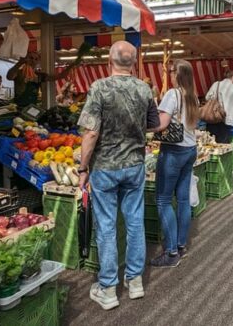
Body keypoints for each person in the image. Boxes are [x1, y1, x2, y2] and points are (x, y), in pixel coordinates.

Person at [76, 41, 160, 311]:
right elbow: (154, 124)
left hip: (105, 168)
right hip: (135, 165)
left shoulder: (99, 87)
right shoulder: (144, 88)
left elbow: (90, 132)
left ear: (109, 61)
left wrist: (82, 168)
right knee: (135, 222)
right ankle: (135, 282)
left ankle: (108, 288)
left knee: (107, 226)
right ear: (134, 63)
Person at [150, 60, 200, 268]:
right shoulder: (192, 96)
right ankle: (180, 246)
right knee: (182, 199)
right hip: (190, 149)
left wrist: (143, 126)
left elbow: (161, 124)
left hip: (173, 151)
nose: (168, 74)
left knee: (162, 199)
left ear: (177, 75)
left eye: (170, 71)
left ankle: (170, 253)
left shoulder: (173, 94)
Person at [7, 51, 74, 107]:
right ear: (26, 59)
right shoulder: (19, 72)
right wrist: (19, 63)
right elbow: (9, 76)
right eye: (31, 58)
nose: (33, 60)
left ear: (38, 62)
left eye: (36, 59)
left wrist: (71, 66)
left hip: (32, 107)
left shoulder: (40, 75)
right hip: (18, 107)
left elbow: (60, 76)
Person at [204, 70, 233, 143]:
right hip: (227, 120)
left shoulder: (216, 84)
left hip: (213, 118)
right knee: (223, 145)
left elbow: (207, 98)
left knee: (211, 144)